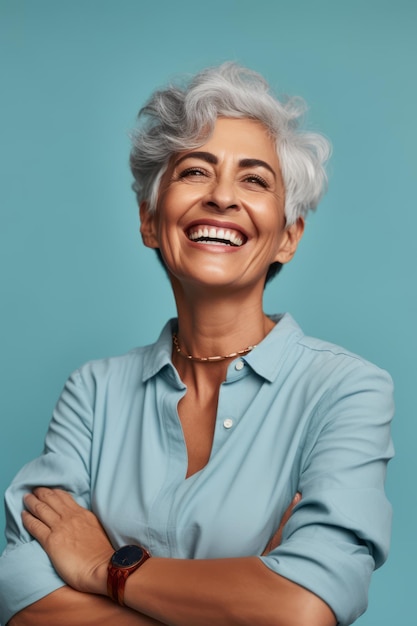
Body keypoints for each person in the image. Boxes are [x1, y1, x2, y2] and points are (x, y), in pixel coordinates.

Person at [0, 63, 394, 626]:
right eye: (194, 172)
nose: (222, 198)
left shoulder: (348, 391)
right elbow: (21, 592)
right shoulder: (92, 391)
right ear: (150, 220)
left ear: (288, 236)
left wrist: (103, 567)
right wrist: (244, 591)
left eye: (254, 179)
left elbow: (303, 608)